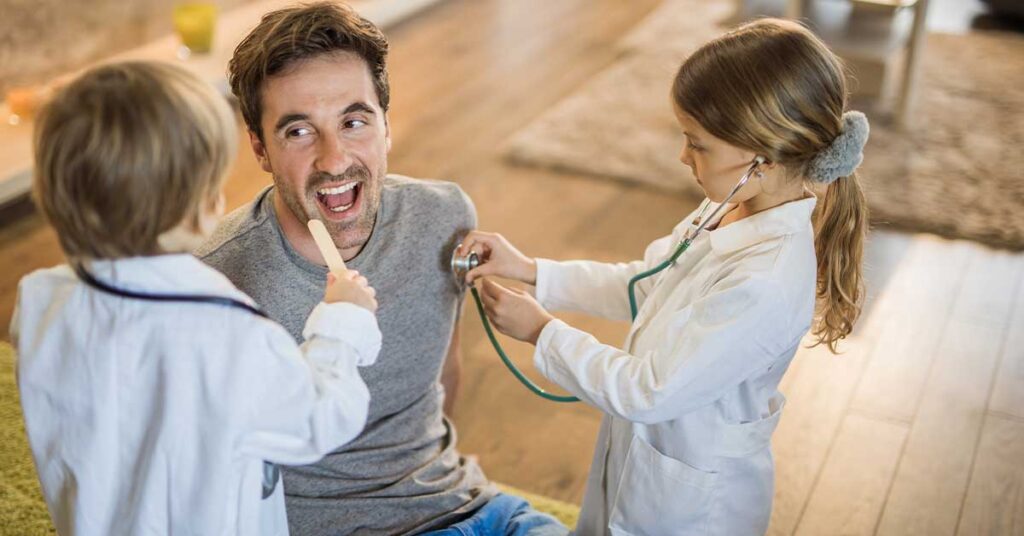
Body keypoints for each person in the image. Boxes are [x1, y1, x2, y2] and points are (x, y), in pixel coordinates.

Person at [459, 18, 870, 535]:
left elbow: (649, 392)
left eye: (698, 144)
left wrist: (542, 332)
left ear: (761, 159)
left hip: (692, 508)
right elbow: (646, 285)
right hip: (648, 459)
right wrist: (530, 270)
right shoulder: (728, 207)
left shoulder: (764, 282)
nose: (683, 155)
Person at [197, 3, 566, 535]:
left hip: (474, 508)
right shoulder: (217, 278)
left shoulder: (443, 216)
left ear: (386, 126)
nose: (333, 159)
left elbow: (442, 375)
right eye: (298, 131)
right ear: (260, 148)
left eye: (353, 122)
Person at [11, 61, 382, 535]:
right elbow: (323, 417)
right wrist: (343, 321)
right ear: (204, 207)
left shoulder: (41, 300)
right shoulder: (228, 331)